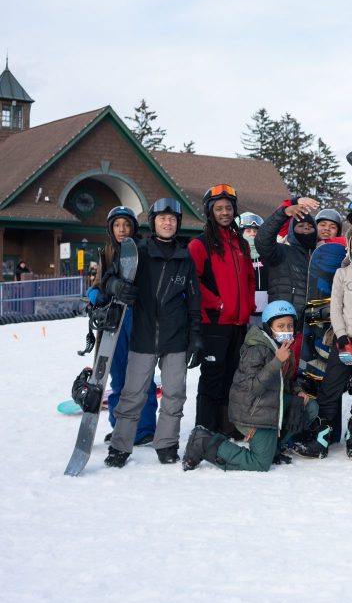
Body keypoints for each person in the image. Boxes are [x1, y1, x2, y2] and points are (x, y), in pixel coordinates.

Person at [103, 198, 201, 468]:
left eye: (172, 219)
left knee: (174, 394)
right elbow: (108, 279)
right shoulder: (138, 251)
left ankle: (167, 444)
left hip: (175, 337)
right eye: (162, 218)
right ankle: (120, 446)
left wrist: (195, 336)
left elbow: (194, 301)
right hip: (143, 335)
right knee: (133, 393)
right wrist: (117, 287)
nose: (167, 223)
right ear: (153, 222)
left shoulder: (185, 258)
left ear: (177, 223)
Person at [292, 226, 352, 460]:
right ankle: (321, 441)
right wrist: (342, 338)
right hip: (343, 341)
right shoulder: (342, 273)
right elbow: (335, 308)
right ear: (349, 249)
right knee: (330, 389)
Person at [182, 301, 312, 472]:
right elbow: (254, 388)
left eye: (289, 325)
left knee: (309, 406)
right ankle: (203, 442)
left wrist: (298, 392)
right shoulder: (256, 349)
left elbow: (284, 382)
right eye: (280, 326)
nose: (286, 330)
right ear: (269, 327)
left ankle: (272, 448)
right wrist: (276, 362)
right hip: (252, 410)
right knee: (260, 463)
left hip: (269, 404)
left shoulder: (283, 348)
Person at [188, 184, 256, 437]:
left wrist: (248, 305)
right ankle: (205, 431)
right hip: (214, 323)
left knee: (233, 377)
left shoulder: (241, 244)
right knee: (212, 379)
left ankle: (228, 428)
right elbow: (192, 281)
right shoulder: (200, 244)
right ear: (210, 211)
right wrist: (217, 303)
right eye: (219, 208)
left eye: (228, 207)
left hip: (238, 324)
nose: (225, 212)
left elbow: (249, 279)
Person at [94, 206, 158, 446]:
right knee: (118, 376)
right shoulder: (107, 252)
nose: (122, 229)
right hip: (113, 320)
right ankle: (120, 426)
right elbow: (99, 284)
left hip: (138, 317)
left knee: (142, 376)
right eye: (117, 225)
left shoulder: (145, 250)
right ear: (111, 229)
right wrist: (97, 294)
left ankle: (145, 429)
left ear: (133, 227)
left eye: (126, 225)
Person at [254, 197, 320, 316]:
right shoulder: (281, 252)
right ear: (291, 231)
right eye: (301, 225)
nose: (306, 227)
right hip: (283, 319)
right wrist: (284, 213)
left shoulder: (320, 259)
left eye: (310, 226)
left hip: (311, 321)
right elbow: (262, 240)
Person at [237, 212, 268, 323]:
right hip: (243, 311)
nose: (253, 234)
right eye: (248, 231)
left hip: (266, 311)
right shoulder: (237, 254)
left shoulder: (266, 253)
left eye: (255, 231)